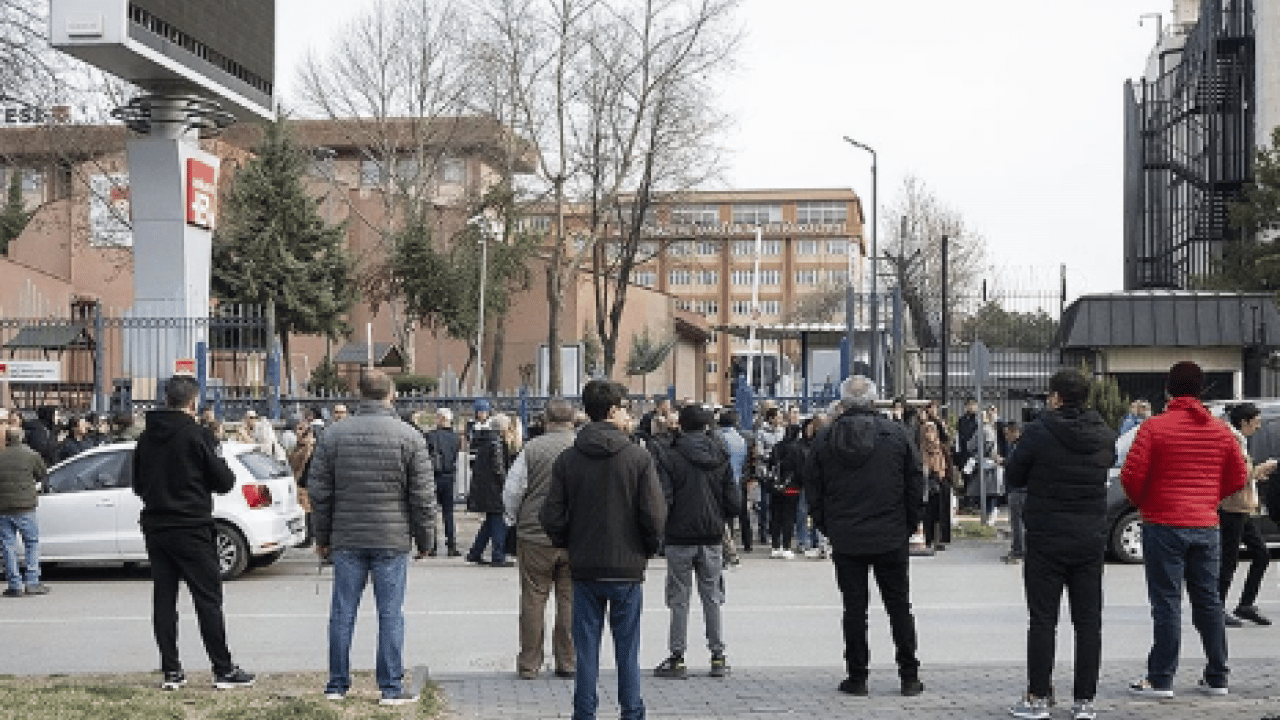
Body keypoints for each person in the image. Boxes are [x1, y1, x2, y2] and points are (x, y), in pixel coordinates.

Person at [540, 380, 666, 720]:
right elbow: (654, 514)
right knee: (628, 649)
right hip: (627, 566)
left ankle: (584, 712)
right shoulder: (638, 458)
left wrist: (568, 541)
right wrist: (646, 548)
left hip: (584, 566)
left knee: (586, 650)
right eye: (625, 408)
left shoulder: (569, 459)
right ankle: (631, 711)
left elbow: (551, 514)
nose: (629, 415)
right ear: (612, 411)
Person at [308, 370, 435, 705]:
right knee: (390, 613)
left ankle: (337, 685)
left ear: (358, 393)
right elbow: (422, 497)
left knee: (342, 612)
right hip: (392, 537)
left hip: (347, 536)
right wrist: (426, 540)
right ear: (391, 394)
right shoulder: (410, 437)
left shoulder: (334, 435)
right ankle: (390, 687)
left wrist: (323, 536)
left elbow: (319, 492)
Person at [1121, 361, 1247, 698]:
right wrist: (1208, 498)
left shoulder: (1153, 428)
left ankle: (1161, 678)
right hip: (1205, 525)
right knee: (1209, 601)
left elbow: (1131, 476)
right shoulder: (1220, 430)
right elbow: (1238, 476)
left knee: (1166, 602)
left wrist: (1144, 503)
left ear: (1168, 389)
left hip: (1163, 523)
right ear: (1202, 390)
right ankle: (1217, 675)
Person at [1003, 369, 1116, 720]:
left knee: (1042, 620)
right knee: (1088, 622)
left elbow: (1014, 475)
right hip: (1089, 537)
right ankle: (1084, 701)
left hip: (1046, 537)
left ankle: (1038, 697)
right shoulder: (1103, 434)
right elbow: (1108, 465)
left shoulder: (1038, 431)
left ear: (1055, 397)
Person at [131, 375, 255, 691]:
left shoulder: (146, 437)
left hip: (157, 526)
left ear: (167, 399)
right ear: (193, 402)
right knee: (207, 599)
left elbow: (137, 484)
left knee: (164, 599)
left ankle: (171, 671)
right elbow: (224, 481)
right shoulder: (196, 435)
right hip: (192, 525)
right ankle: (222, 669)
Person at [805, 375, 925, 698]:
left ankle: (857, 677)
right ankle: (909, 676)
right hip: (890, 533)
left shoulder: (826, 438)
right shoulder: (896, 435)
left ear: (843, 403)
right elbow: (915, 482)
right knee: (899, 606)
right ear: (874, 401)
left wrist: (827, 526)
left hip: (846, 536)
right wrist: (909, 524)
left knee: (854, 609)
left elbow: (813, 487)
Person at [652, 403, 741, 680]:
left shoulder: (670, 455)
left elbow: (664, 498)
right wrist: (719, 516)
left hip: (679, 536)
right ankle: (718, 656)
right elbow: (734, 501)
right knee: (712, 596)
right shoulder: (720, 454)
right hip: (712, 534)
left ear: (681, 425)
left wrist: (661, 530)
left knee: (679, 598)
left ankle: (677, 657)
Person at [502, 398, 577, 680]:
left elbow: (513, 490)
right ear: (573, 420)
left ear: (545, 420)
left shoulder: (532, 448)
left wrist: (513, 519)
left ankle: (529, 663)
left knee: (533, 598)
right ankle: (567, 661)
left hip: (535, 534)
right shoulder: (580, 447)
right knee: (569, 600)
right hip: (573, 535)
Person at [1218, 403, 1276, 627]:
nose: (1258, 426)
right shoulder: (1232, 441)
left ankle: (1246, 604)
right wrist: (1261, 469)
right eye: (1256, 422)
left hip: (1242, 507)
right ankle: (1217, 608)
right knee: (1228, 560)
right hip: (1232, 508)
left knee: (1261, 554)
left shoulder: (1238, 440)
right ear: (1244, 421)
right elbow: (1237, 475)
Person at [0, 425, 49, 597]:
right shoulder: (31, 455)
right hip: (26, 506)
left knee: (8, 546)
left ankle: (15, 585)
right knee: (31, 543)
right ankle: (32, 582)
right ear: (21, 438)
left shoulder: (1, 456)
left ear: (7, 439)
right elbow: (42, 474)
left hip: (3, 508)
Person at [424, 408, 461, 557]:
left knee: (431, 513)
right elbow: (455, 455)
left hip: (433, 476)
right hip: (449, 476)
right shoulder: (455, 437)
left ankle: (431, 547)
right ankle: (451, 545)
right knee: (448, 513)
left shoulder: (430, 436)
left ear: (440, 419)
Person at [767, 424, 805, 558]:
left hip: (776, 486)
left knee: (776, 516)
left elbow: (770, 465)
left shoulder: (777, 446)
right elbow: (800, 470)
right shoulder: (797, 448)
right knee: (788, 516)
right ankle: (786, 546)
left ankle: (775, 546)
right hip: (792, 487)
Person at [288, 418, 317, 548]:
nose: (299, 432)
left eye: (302, 429)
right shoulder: (298, 446)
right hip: (300, 481)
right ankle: (306, 536)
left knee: (306, 510)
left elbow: (303, 465)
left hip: (305, 482)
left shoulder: (309, 446)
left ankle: (307, 538)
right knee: (304, 510)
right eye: (298, 429)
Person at [1001, 422, 1026, 564]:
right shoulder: (1022, 445)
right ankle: (1019, 549)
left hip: (1018, 489)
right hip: (1021, 488)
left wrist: (1004, 462)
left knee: (1017, 523)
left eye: (1007, 433)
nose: (1006, 437)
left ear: (1015, 432)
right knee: (1020, 522)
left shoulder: (1019, 447)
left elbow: (1015, 466)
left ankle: (1018, 551)